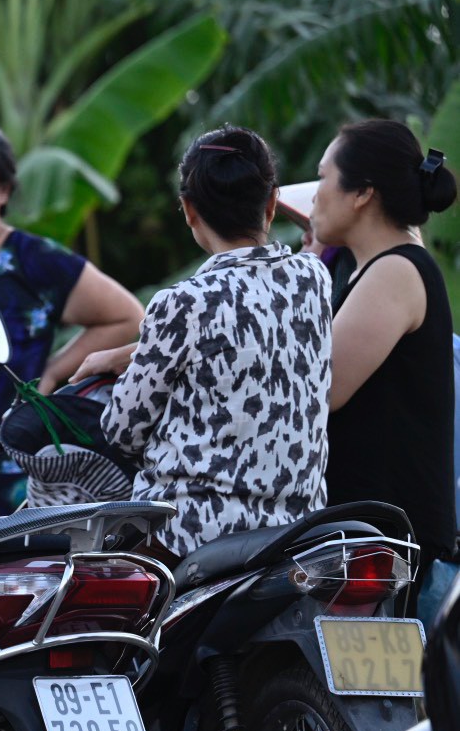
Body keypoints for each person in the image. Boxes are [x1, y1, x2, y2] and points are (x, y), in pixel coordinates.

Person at [75, 125, 332, 560]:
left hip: (189, 536)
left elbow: (122, 430)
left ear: (189, 209)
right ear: (271, 204)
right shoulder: (314, 279)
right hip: (296, 530)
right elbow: (255, 337)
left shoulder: (183, 303)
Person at [0, 120, 143, 517]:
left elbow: (126, 318)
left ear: (3, 190)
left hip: (12, 464)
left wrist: (54, 372)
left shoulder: (36, 260)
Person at [314, 119, 457, 584]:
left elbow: (323, 385)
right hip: (375, 538)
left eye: (322, 179)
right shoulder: (373, 271)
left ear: (361, 194)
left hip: (390, 548)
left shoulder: (396, 269)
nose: (314, 196)